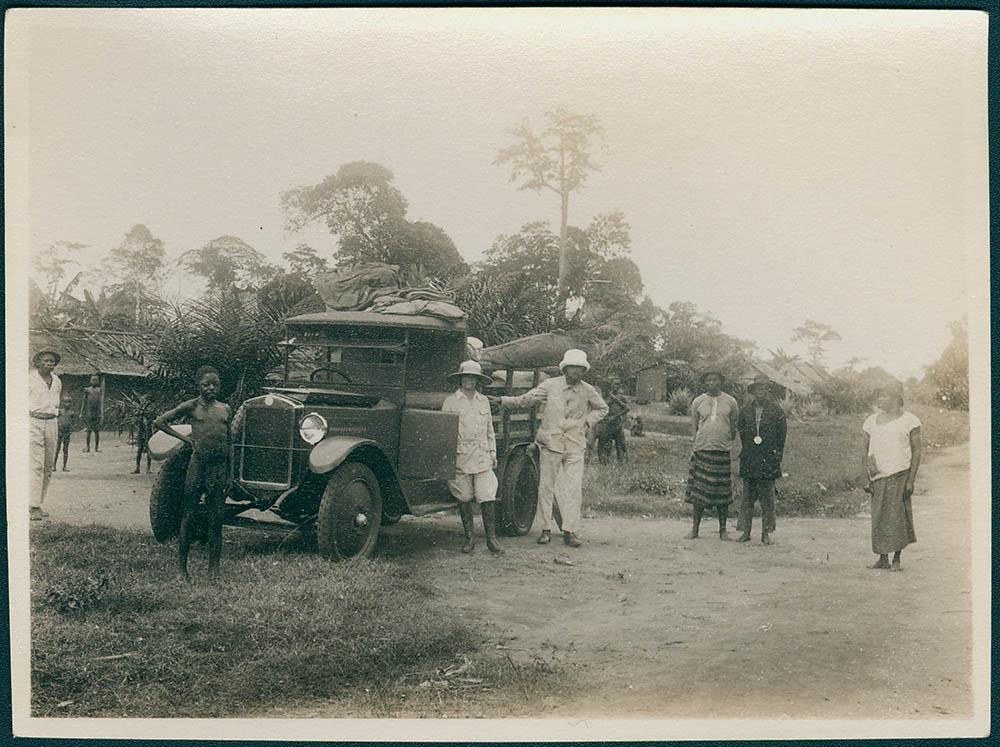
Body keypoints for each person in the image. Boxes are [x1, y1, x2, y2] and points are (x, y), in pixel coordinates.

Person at [492, 349, 608, 548]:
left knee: (572, 489)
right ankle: (545, 529)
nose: (576, 373)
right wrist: (503, 401)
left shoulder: (587, 390)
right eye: (573, 368)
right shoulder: (551, 385)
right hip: (551, 443)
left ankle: (569, 531)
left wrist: (587, 422)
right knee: (546, 487)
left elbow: (602, 408)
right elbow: (527, 399)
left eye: (580, 369)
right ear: (565, 369)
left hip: (574, 444)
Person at [154, 366, 232, 579]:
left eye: (215, 384)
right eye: (206, 384)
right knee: (188, 515)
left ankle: (213, 570)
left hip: (219, 468)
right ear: (198, 386)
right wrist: (186, 439)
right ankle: (182, 569)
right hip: (198, 465)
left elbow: (229, 443)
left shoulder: (225, 409)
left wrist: (229, 474)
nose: (211, 388)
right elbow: (159, 421)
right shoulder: (191, 406)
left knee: (216, 518)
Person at [442, 360, 503, 555]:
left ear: (478, 380)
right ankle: (469, 539)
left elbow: (489, 430)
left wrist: (493, 452)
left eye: (473, 377)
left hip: (482, 454)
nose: (469, 380)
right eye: (466, 376)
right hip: (460, 456)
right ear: (460, 379)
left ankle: (491, 539)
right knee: (465, 496)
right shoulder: (450, 402)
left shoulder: (483, 401)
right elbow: (445, 432)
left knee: (486, 495)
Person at [862, 388, 921, 572]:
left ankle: (896, 559)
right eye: (878, 395)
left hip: (899, 474)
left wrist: (910, 480)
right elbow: (865, 451)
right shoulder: (871, 421)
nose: (880, 399)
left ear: (896, 398)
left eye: (884, 396)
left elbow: (917, 451)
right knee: (879, 517)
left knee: (897, 517)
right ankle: (882, 559)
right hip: (878, 475)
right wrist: (867, 477)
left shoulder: (910, 420)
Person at [685, 368, 739, 540]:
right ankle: (695, 530)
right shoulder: (698, 401)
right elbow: (695, 427)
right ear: (705, 382)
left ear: (721, 382)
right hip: (702, 450)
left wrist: (726, 442)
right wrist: (695, 446)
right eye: (708, 380)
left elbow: (733, 426)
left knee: (722, 492)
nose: (711, 383)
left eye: (715, 380)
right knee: (699, 493)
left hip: (721, 451)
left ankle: (723, 530)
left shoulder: (731, 401)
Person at [736, 375, 787, 545]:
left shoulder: (777, 412)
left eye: (765, 389)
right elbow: (742, 433)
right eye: (758, 389)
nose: (761, 392)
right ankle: (746, 532)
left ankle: (766, 533)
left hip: (768, 460)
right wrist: (750, 449)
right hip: (750, 458)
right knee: (747, 498)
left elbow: (781, 438)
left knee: (767, 499)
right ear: (753, 392)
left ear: (769, 391)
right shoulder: (745, 411)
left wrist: (775, 457)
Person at [29, 350, 62, 520]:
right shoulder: (30, 379)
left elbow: (55, 403)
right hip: (34, 422)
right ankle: (32, 506)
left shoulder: (57, 381)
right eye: (46, 361)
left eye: (52, 361)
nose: (50, 364)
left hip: (52, 422)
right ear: (38, 363)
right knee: (36, 465)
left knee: (48, 465)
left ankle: (38, 504)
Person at [597, 383, 630, 465]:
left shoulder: (613, 398)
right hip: (606, 424)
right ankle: (605, 462)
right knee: (605, 443)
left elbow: (627, 408)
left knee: (620, 443)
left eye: (606, 391)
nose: (604, 392)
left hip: (616, 423)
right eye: (603, 391)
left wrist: (615, 416)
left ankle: (621, 462)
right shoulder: (600, 398)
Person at [54, 393, 78, 473]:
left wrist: (70, 432)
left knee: (65, 450)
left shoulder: (72, 413)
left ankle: (64, 466)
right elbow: (55, 421)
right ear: (62, 403)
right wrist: (57, 431)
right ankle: (53, 466)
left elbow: (73, 424)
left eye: (69, 402)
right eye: (66, 402)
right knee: (57, 449)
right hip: (59, 433)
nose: (67, 404)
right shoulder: (59, 411)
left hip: (67, 434)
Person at [80, 374, 104, 453]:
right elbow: (84, 402)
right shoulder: (87, 390)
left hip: (96, 414)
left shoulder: (99, 390)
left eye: (96, 380)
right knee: (89, 431)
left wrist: (101, 413)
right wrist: (81, 413)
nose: (94, 381)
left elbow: (100, 402)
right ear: (90, 381)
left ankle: (97, 447)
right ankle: (87, 447)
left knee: (97, 432)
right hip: (89, 413)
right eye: (93, 380)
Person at [133, 404, 154, 475]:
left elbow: (153, 418)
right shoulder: (140, 410)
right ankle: (137, 468)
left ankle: (148, 468)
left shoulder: (151, 410)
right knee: (140, 449)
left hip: (148, 431)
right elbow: (136, 414)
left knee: (148, 450)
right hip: (141, 432)